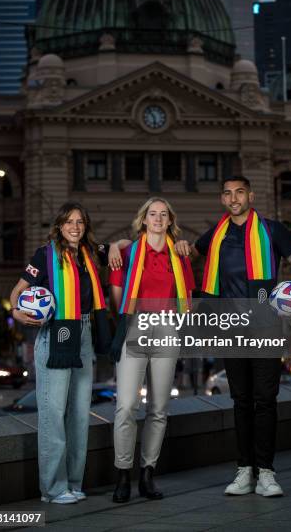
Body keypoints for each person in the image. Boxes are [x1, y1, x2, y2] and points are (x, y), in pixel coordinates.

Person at [175, 176, 291, 498]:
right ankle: (243, 471)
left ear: (250, 195)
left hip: (266, 325)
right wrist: (181, 246)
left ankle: (266, 472)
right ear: (223, 199)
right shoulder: (215, 235)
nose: (234, 198)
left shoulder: (272, 230)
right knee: (240, 401)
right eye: (227, 193)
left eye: (239, 192)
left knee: (264, 400)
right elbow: (184, 258)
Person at [9, 202, 110, 505]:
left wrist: (117, 245)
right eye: (69, 222)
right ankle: (52, 488)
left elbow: (122, 245)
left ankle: (73, 483)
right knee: (53, 414)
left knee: (80, 414)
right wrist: (17, 312)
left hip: (84, 334)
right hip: (55, 334)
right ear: (60, 226)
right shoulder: (45, 255)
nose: (75, 227)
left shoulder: (91, 254)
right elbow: (17, 292)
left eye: (80, 221)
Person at [108, 197, 195, 503]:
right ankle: (122, 475)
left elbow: (187, 296)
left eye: (163, 215)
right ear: (143, 220)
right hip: (135, 326)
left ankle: (147, 474)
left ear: (170, 220)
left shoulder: (179, 254)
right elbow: (117, 296)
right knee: (127, 405)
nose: (157, 219)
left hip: (168, 328)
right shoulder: (127, 251)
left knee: (158, 408)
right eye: (152, 214)